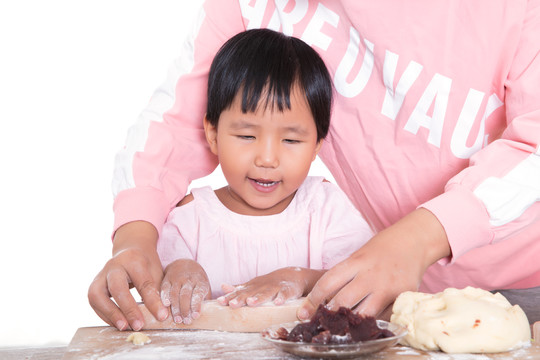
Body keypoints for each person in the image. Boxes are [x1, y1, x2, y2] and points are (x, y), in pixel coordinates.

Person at [88, 0, 540, 331]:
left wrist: (417, 240)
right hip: (368, 296)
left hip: (519, 291)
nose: (267, 155)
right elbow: (176, 121)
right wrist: (134, 239)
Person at [156, 28, 373, 325]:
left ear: (316, 147)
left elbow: (362, 286)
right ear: (214, 134)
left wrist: (300, 279)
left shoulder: (326, 209)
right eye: (246, 135)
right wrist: (178, 271)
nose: (268, 159)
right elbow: (158, 299)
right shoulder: (188, 220)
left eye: (291, 141)